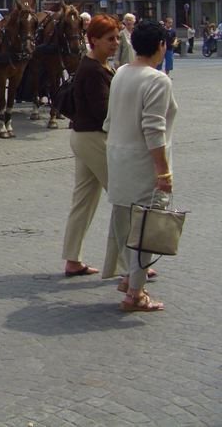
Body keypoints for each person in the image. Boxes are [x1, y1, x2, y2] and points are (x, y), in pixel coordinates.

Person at [103, 19, 177, 312]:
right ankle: (135, 293)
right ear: (160, 46)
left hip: (118, 158)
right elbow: (154, 129)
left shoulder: (121, 72)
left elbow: (110, 120)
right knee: (147, 228)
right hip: (142, 163)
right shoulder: (158, 80)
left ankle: (131, 280)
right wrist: (164, 170)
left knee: (125, 225)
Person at [62, 14, 125, 277]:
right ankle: (127, 264)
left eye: (118, 38)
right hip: (93, 137)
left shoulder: (98, 64)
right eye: (110, 39)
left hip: (83, 135)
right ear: (94, 40)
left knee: (84, 199)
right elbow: (103, 112)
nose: (116, 43)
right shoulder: (93, 69)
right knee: (124, 196)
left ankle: (72, 259)